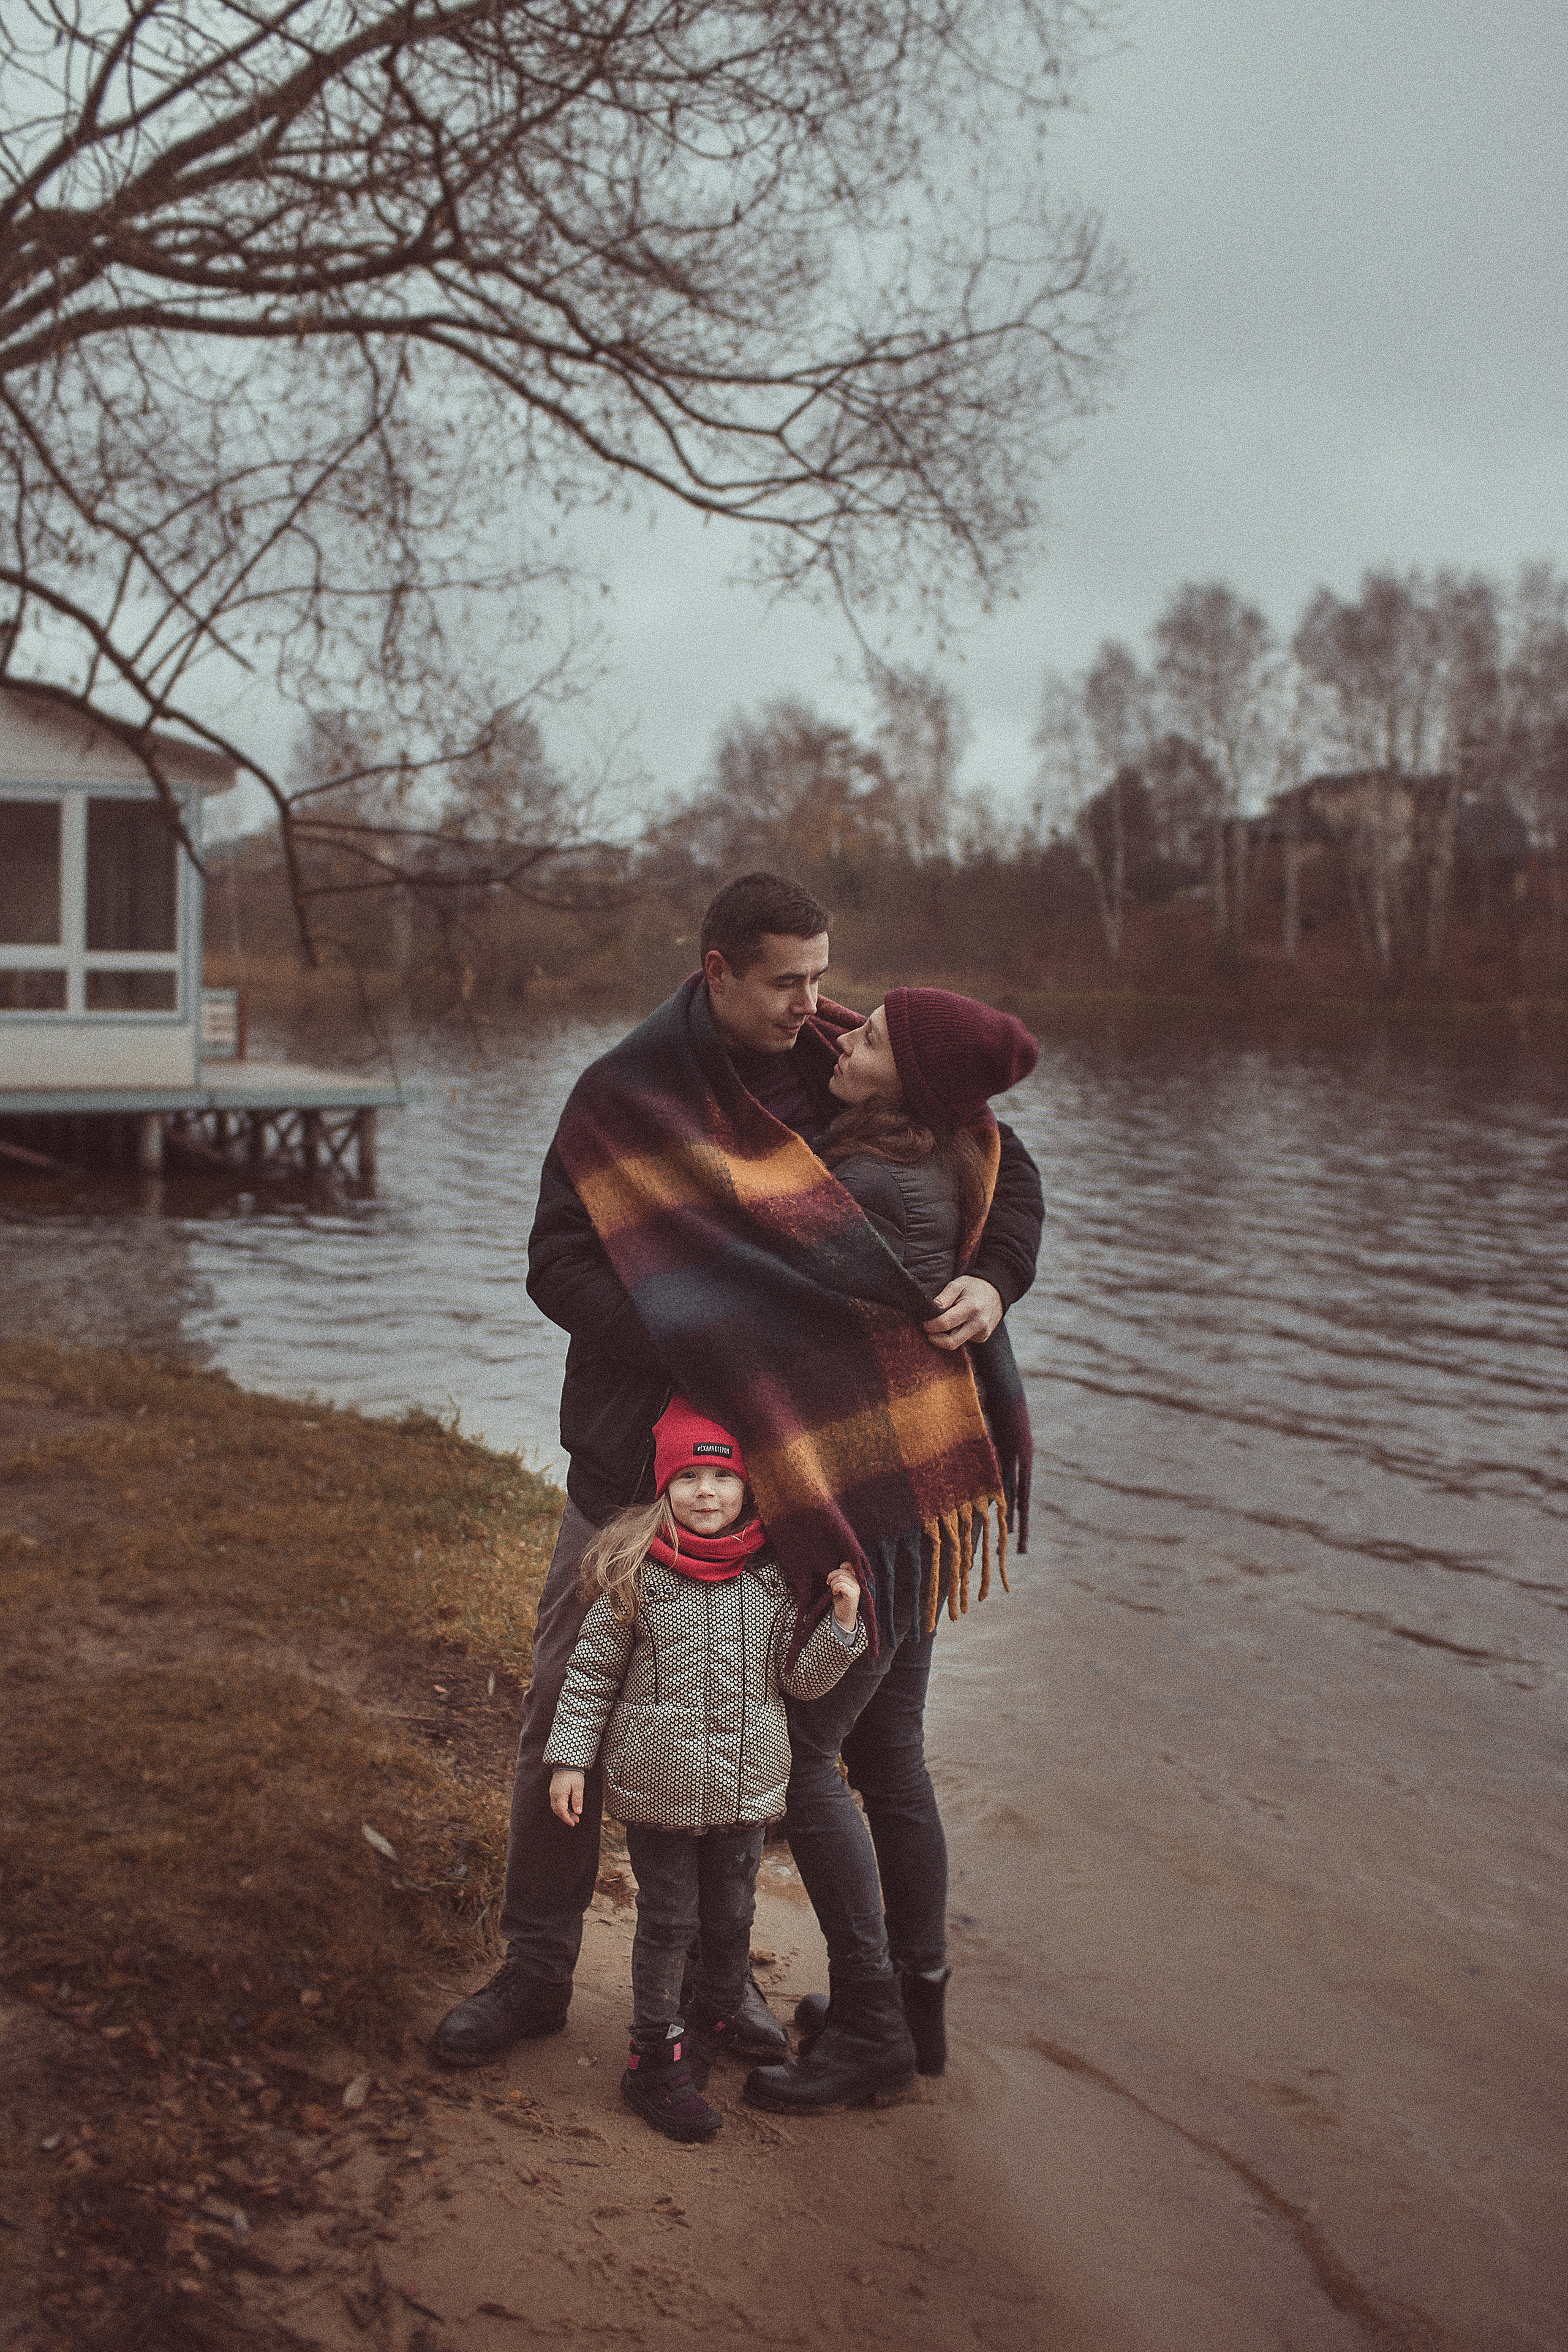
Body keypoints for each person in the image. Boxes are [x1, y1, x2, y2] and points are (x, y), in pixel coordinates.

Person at [432, 872, 1043, 2070]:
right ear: (716, 969)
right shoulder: (623, 1097)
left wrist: (996, 1278)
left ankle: (722, 1988)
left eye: (823, 976)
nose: (813, 1005)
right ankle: (534, 1972)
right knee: (567, 1706)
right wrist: (700, 1334)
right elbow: (555, 1267)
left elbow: (996, 1163)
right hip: (630, 1452)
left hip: (781, 1466)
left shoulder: (827, 1053)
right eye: (785, 981)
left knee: (739, 1730)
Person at [743, 987, 1038, 2114]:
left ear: (911, 1079)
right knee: (892, 1752)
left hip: (874, 1515)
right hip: (927, 1502)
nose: (844, 1038)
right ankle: (917, 2010)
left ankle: (867, 2023)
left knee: (806, 1756)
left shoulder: (868, 1185)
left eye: (867, 1038)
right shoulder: (961, 1155)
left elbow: (757, 1290)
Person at [544, 1397, 865, 2142]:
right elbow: (590, 1676)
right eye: (687, 1478)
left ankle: (712, 2016)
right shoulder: (636, 1575)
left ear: (748, 1488)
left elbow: (802, 1682)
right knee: (667, 1922)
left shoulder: (772, 1578)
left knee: (731, 1916)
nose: (705, 1494)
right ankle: (652, 2057)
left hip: (745, 1791)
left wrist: (842, 1622)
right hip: (658, 1790)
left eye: (720, 1479)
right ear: (664, 1488)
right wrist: (568, 1761)